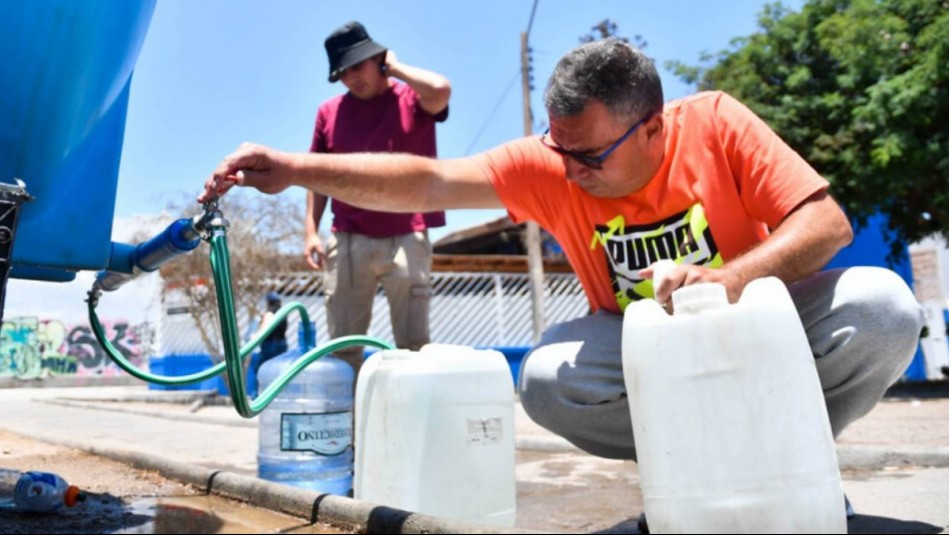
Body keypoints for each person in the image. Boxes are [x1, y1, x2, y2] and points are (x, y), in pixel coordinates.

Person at [201, 39, 923, 461]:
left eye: (590, 154)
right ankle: (694, 469)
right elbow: (424, 176)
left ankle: (791, 453)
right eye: (559, 148)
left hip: (757, 317)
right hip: (639, 342)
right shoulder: (551, 162)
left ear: (653, 128)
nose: (569, 169)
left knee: (884, 306)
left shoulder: (716, 123)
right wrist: (296, 167)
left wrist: (721, 280)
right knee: (548, 378)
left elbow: (824, 223)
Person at [303, 21, 451, 376]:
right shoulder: (328, 112)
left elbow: (441, 89)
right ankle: (348, 428)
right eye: (342, 72)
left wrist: (397, 67)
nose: (352, 77)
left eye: (358, 65)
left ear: (377, 59)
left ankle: (413, 427)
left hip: (407, 234)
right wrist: (310, 230)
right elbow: (316, 175)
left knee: (415, 348)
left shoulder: (412, 99)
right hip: (349, 236)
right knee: (343, 348)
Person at [247, 292, 288, 396]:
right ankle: (278, 394)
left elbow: (264, 329)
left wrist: (254, 336)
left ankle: (257, 395)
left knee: (260, 369)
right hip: (282, 344)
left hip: (270, 345)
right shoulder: (283, 313)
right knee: (278, 371)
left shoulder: (269, 313)